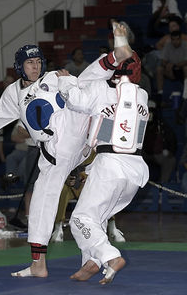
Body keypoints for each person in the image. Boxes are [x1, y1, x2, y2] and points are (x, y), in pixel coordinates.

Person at [0, 25, 134, 278]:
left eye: (38, 62)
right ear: (20, 66)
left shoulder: (52, 78)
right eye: (30, 63)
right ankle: (65, 261)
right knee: (45, 202)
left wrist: (66, 81)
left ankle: (117, 57)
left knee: (83, 82)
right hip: (58, 154)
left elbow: (80, 84)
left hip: (77, 138)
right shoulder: (12, 95)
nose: (35, 67)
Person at [56, 29, 149, 285]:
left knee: (80, 219)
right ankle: (92, 263)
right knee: (95, 219)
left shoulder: (101, 90)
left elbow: (74, 100)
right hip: (135, 171)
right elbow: (127, 65)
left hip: (109, 165)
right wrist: (122, 44)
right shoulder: (142, 96)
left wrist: (66, 80)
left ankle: (109, 256)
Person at [142, 100, 177, 183]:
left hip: (158, 154)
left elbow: (172, 139)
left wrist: (170, 151)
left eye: (151, 111)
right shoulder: (140, 123)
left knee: (170, 160)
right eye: (148, 111)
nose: (150, 114)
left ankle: (162, 187)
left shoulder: (162, 125)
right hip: (143, 154)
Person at [156, 30, 187, 107]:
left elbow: (186, 61)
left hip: (182, 70)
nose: (175, 41)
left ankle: (185, 94)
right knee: (159, 69)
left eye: (177, 39)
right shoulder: (168, 45)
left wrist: (173, 65)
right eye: (173, 39)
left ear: (180, 39)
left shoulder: (185, 45)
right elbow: (163, 60)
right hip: (170, 70)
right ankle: (160, 94)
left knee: (186, 68)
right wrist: (168, 65)